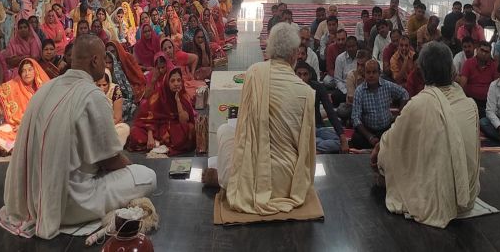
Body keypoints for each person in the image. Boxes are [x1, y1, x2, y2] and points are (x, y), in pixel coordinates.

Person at [0, 35, 157, 240]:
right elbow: (111, 160)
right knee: (147, 176)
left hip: (30, 201)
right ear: (95, 61)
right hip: (69, 204)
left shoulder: (45, 88)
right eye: (104, 58)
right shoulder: (92, 95)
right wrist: (128, 166)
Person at [203, 23, 316, 216]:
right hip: (289, 185)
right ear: (294, 55)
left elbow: (244, 127)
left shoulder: (255, 72)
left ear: (269, 49)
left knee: (224, 130)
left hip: (249, 182)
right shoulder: (307, 92)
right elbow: (308, 149)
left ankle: (222, 178)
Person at [373, 41, 480, 228]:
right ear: (452, 70)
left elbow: (390, 145)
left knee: (390, 156)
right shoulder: (470, 104)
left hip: (438, 199)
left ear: (422, 72)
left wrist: (379, 149)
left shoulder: (419, 104)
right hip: (467, 198)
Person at [128, 63, 196, 155]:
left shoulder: (183, 97)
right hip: (154, 128)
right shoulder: (158, 96)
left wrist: (178, 100)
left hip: (171, 128)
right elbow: (148, 119)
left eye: (179, 80)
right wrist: (150, 136)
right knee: (135, 134)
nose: (176, 84)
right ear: (167, 83)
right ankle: (158, 143)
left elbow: (183, 121)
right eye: (172, 81)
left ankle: (159, 144)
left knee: (189, 129)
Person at [0, 58, 51, 153]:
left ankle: (14, 146)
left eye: (30, 70)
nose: (27, 73)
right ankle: (14, 146)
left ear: (36, 71)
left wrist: (25, 125)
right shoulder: (13, 85)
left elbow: (47, 113)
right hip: (15, 126)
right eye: (23, 71)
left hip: (36, 126)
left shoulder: (44, 88)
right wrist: (5, 112)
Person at [351, 59, 409, 149]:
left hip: (386, 129)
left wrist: (400, 115)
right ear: (364, 74)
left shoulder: (387, 85)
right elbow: (355, 118)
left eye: (374, 72)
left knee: (401, 135)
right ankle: (381, 145)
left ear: (379, 73)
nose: (371, 75)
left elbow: (404, 94)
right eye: (368, 72)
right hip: (368, 130)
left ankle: (381, 144)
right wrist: (369, 136)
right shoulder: (359, 91)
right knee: (356, 139)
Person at [295, 61, 348, 154]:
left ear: (310, 75)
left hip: (318, 127)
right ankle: (313, 148)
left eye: (305, 74)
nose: (302, 78)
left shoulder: (318, 87)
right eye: (299, 74)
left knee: (339, 142)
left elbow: (330, 112)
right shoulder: (291, 89)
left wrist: (342, 137)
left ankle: (312, 149)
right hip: (301, 130)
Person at [458, 40, 498, 116]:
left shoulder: (494, 65)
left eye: (486, 52)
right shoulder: (468, 63)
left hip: (488, 102)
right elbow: (462, 84)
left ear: (490, 53)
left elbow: (497, 86)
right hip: (471, 101)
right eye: (482, 50)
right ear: (477, 50)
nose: (484, 53)